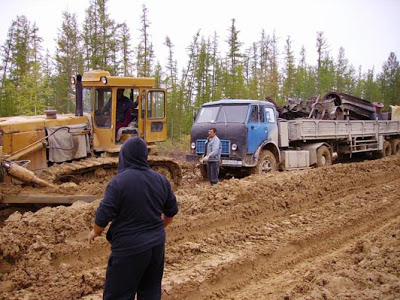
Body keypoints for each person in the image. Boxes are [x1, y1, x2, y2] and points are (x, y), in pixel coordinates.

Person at [88, 137, 178, 299]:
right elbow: (171, 211)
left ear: (124, 156)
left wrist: (95, 232)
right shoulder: (161, 180)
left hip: (128, 250)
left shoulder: (118, 182)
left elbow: (103, 214)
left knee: (119, 295)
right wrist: (158, 228)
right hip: (156, 247)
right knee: (150, 292)